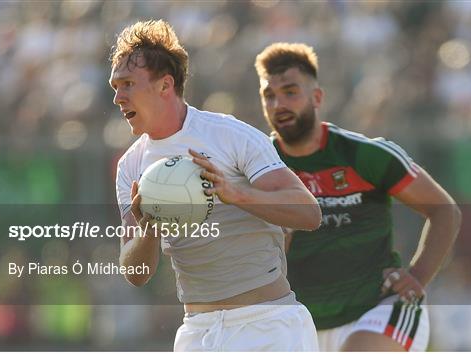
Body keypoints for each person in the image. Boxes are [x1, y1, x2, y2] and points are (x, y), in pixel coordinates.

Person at [110, 21, 321, 351]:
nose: (117, 97)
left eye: (127, 84)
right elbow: (135, 272)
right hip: (199, 331)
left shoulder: (229, 135)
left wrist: (236, 194)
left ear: (165, 85)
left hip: (268, 326)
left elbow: (308, 213)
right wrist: (148, 228)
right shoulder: (131, 168)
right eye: (115, 86)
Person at [254, 42, 462, 351]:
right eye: (269, 96)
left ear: (317, 97)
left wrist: (417, 276)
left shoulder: (366, 155)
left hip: (379, 310)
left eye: (290, 92)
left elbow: (444, 211)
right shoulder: (257, 165)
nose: (278, 104)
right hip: (301, 324)